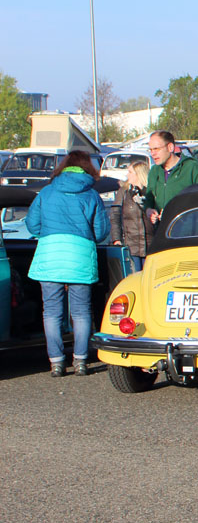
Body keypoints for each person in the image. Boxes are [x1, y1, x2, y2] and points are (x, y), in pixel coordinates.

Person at [26, 151, 110, 377]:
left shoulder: (47, 192)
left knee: (52, 312)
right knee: (81, 311)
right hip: (80, 255)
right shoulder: (92, 195)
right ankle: (81, 360)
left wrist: (48, 233)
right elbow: (101, 231)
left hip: (51, 254)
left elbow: (32, 224)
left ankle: (56, 362)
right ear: (87, 168)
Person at [143, 131, 198, 224]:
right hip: (161, 229)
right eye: (150, 150)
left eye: (156, 149)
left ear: (170, 147)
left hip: (187, 229)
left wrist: (176, 213)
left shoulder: (192, 168)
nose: (153, 153)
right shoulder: (154, 171)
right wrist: (149, 210)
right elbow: (149, 200)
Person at [110, 158, 155, 272]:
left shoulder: (151, 192)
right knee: (134, 276)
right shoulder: (124, 192)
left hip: (150, 245)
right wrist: (116, 239)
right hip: (131, 245)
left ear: (139, 174)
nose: (127, 175)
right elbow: (115, 216)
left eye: (130, 172)